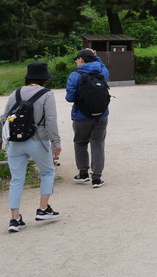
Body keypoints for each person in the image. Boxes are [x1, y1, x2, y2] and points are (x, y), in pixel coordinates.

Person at [2, 62, 62, 233]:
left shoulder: (16, 93)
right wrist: (56, 142)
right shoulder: (47, 94)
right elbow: (50, 121)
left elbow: (5, 117)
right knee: (48, 172)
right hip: (38, 140)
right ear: (44, 78)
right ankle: (43, 209)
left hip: (15, 142)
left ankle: (15, 219)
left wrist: (4, 139)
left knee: (16, 180)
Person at [66, 48, 111, 188]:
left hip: (81, 116)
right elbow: (103, 66)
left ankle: (83, 173)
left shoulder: (75, 75)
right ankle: (96, 178)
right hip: (102, 114)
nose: (76, 61)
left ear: (81, 60)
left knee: (80, 143)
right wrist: (96, 56)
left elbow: (70, 98)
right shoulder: (102, 72)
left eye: (77, 59)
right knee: (98, 143)